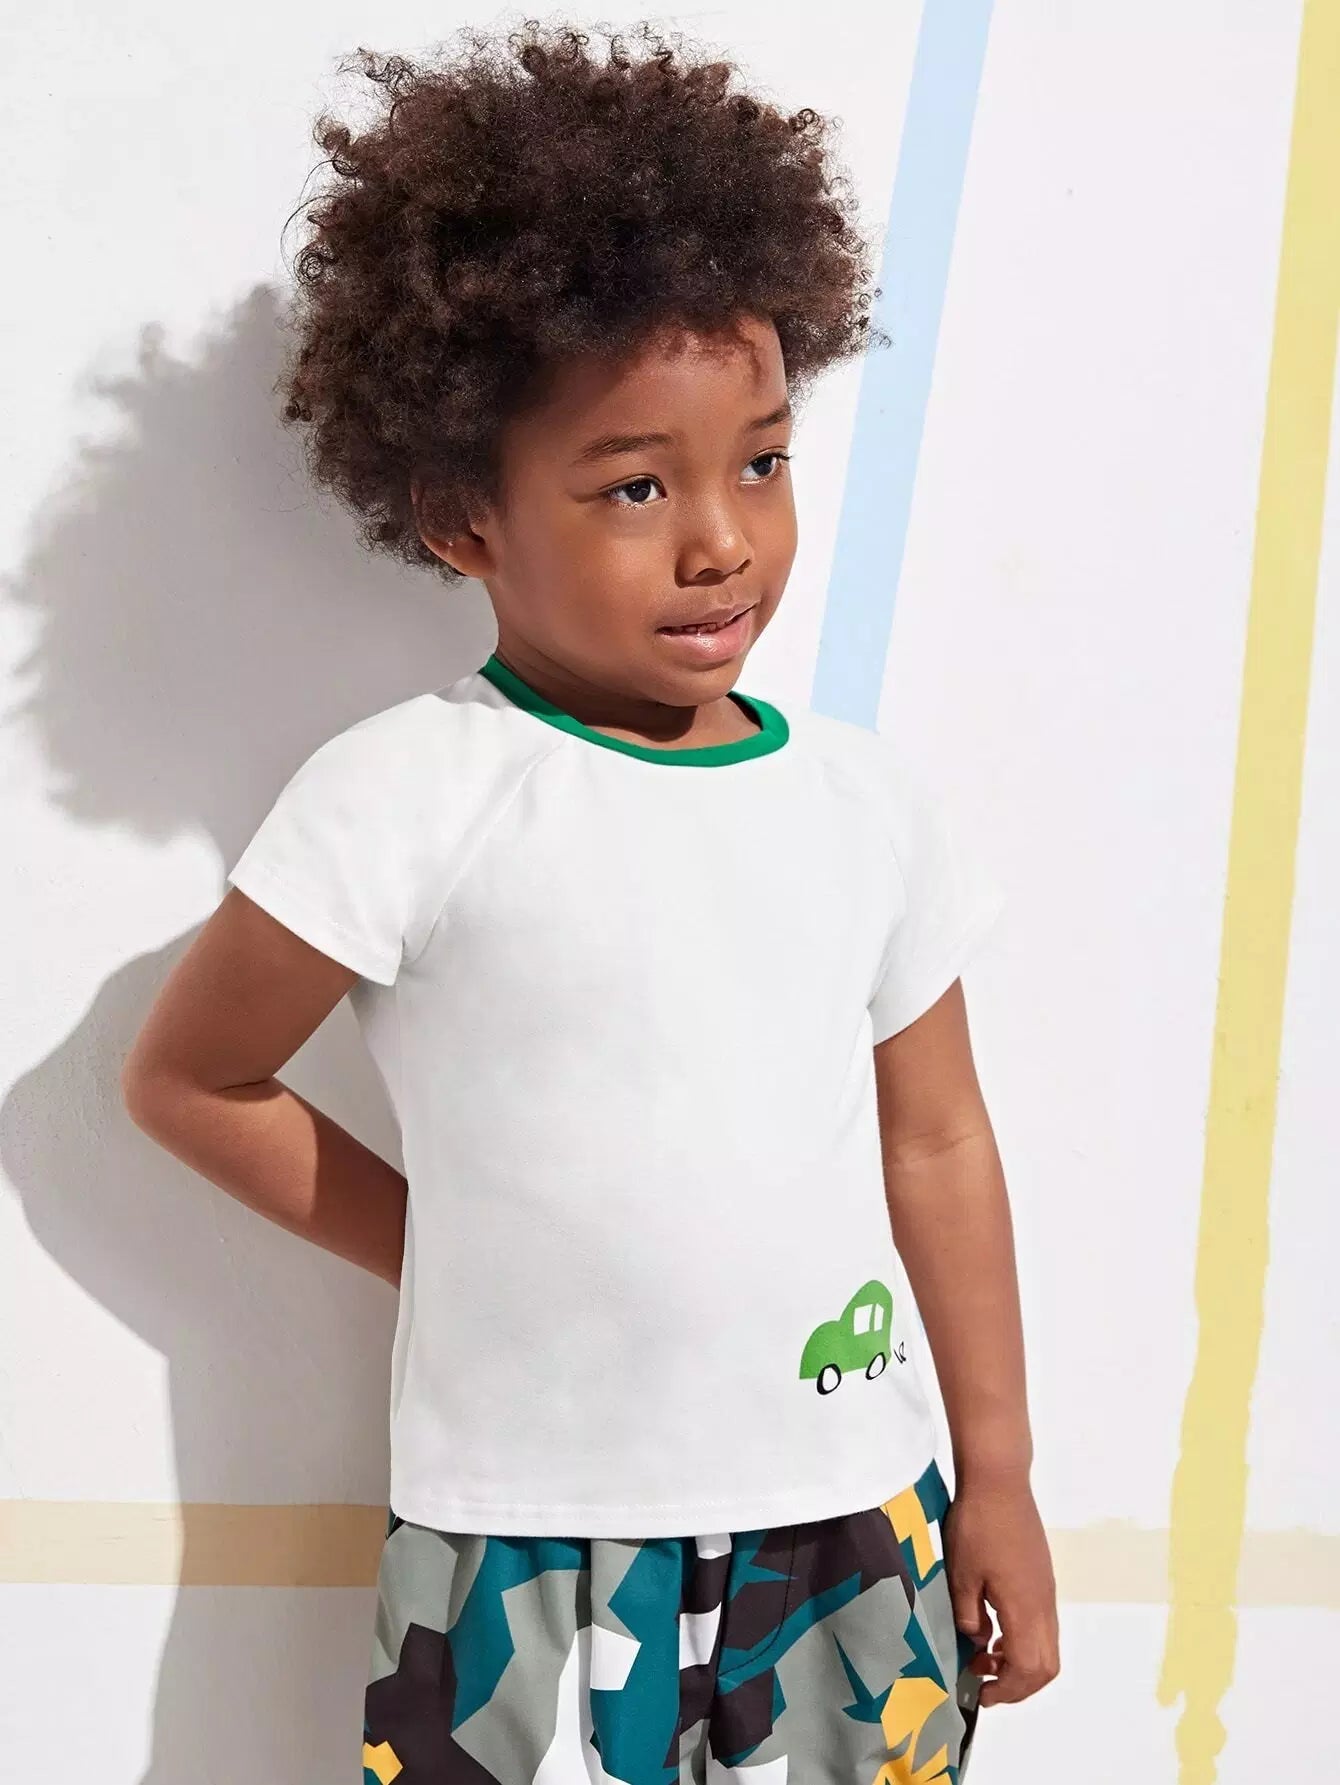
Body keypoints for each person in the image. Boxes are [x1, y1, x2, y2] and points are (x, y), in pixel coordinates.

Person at [121, 19, 1058, 1782]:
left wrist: (996, 1475)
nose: (723, 540)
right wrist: (446, 1242)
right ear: (461, 517)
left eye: (761, 461)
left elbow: (937, 1140)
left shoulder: (864, 802)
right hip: (518, 1537)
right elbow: (191, 1079)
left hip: (850, 1515)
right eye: (637, 485)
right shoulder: (408, 793)